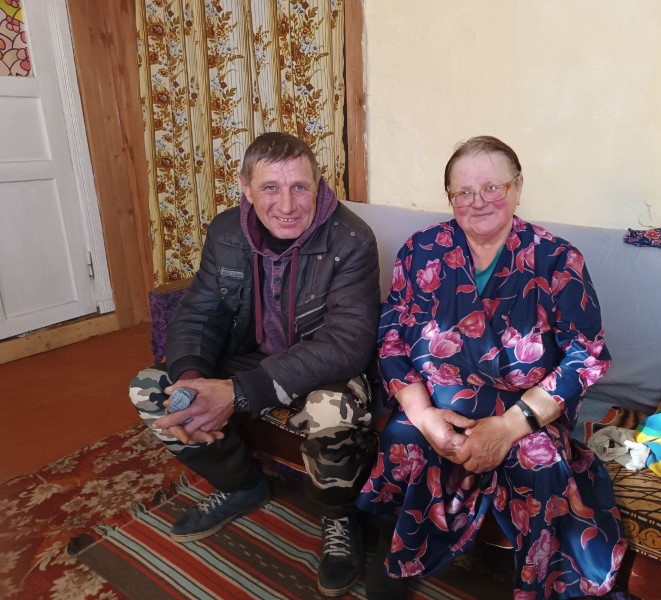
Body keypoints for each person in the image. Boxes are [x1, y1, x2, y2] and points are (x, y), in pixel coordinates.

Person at [357, 136, 626, 598]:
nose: (477, 201)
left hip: (524, 411)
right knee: (403, 436)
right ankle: (399, 550)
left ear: (517, 187)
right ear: (449, 198)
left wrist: (506, 429)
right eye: (463, 192)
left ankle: (543, 583)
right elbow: (392, 339)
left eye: (492, 188)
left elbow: (584, 357)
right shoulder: (421, 250)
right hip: (437, 403)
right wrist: (424, 416)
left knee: (540, 465)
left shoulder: (558, 259)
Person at [129, 132, 380, 597]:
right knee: (151, 390)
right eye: (270, 187)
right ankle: (242, 485)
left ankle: (339, 518)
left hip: (323, 365)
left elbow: (347, 343)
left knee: (334, 410)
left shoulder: (351, 239)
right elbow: (198, 314)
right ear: (246, 188)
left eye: (299, 187)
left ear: (318, 185)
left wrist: (239, 391)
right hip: (250, 357)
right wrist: (191, 380)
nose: (287, 204)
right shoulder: (226, 232)